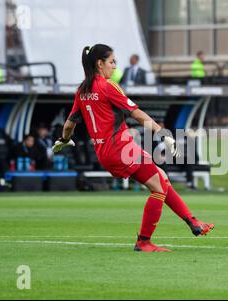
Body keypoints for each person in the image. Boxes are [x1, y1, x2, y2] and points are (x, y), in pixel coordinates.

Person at [52, 44, 214, 252]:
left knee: (161, 177)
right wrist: (163, 134)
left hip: (105, 153)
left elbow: (69, 125)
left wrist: (65, 140)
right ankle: (144, 242)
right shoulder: (108, 86)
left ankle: (193, 222)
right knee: (158, 187)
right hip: (121, 149)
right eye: (112, 62)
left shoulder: (82, 91)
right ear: (99, 64)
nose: (115, 66)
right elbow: (136, 114)